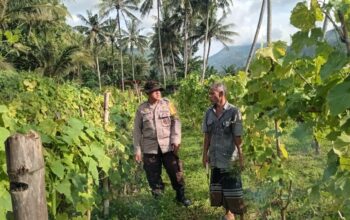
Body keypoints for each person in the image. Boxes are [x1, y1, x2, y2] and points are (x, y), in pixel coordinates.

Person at [133, 81, 191, 207]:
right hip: (150, 148)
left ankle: (181, 197)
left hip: (168, 145)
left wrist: (176, 139)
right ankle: (158, 201)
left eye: (159, 90)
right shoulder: (141, 109)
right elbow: (137, 130)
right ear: (148, 93)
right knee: (153, 175)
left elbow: (176, 122)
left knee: (175, 171)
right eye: (155, 90)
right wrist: (137, 149)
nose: (158, 92)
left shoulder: (168, 104)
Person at [202, 82, 245, 220]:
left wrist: (241, 156)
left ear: (221, 94)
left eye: (212, 93)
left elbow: (237, 137)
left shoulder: (234, 112)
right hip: (215, 157)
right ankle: (228, 214)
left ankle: (237, 214)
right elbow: (207, 136)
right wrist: (204, 155)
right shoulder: (209, 112)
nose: (210, 96)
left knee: (233, 189)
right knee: (220, 189)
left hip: (229, 158)